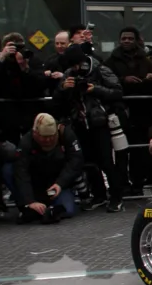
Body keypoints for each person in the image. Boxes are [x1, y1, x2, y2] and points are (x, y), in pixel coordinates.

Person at [50, 44, 126, 213]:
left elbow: (118, 92)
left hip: (101, 123)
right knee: (89, 163)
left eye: (78, 64)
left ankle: (116, 197)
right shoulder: (69, 75)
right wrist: (63, 89)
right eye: (73, 65)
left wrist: (95, 89)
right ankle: (99, 195)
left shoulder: (100, 70)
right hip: (80, 123)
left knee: (107, 161)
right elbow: (56, 102)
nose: (77, 68)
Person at [107, 26, 152, 197]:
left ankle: (138, 183)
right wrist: (124, 80)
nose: (127, 41)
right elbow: (107, 80)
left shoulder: (146, 59)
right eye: (124, 38)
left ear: (136, 40)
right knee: (121, 150)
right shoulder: (112, 60)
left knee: (139, 151)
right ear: (119, 40)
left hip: (141, 112)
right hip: (121, 110)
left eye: (130, 38)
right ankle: (122, 184)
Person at [8, 113, 83, 224]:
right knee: (8, 169)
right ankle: (29, 207)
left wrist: (60, 183)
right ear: (35, 133)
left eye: (51, 136)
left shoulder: (66, 134)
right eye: (44, 137)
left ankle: (48, 211)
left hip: (58, 183)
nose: (48, 140)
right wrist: (30, 201)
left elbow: (76, 160)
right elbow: (21, 172)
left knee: (68, 210)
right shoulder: (26, 142)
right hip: (36, 183)